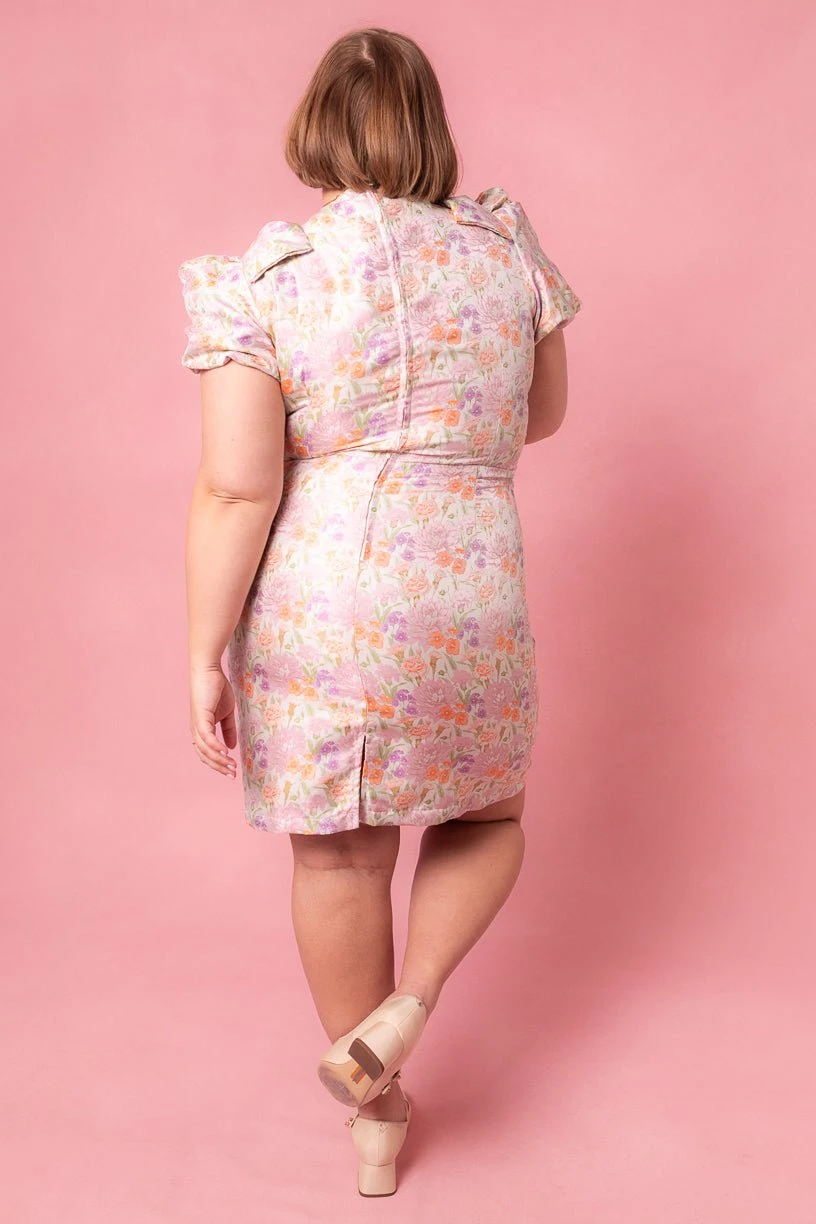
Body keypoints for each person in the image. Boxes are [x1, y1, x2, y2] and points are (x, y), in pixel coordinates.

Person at [178, 25, 582, 1198]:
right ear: (430, 129)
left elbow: (238, 487)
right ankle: (412, 1004)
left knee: (343, 858)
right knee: (487, 817)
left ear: (315, 128)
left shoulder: (269, 280)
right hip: (471, 582)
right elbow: (540, 416)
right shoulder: (505, 254)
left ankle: (377, 1117)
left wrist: (204, 651)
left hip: (328, 600)